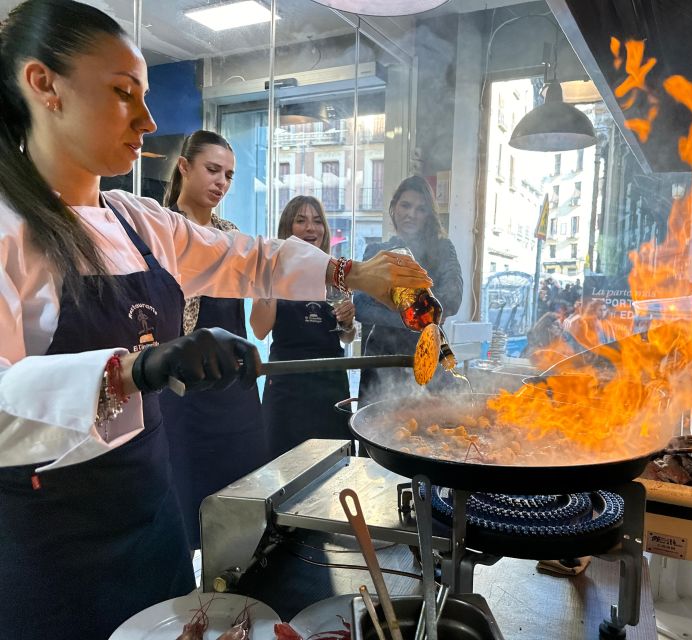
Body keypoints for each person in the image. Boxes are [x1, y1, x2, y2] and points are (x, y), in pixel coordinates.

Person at [0, 3, 432, 638]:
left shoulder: (134, 219)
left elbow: (251, 258)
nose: (148, 121)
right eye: (123, 94)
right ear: (44, 85)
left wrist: (355, 273)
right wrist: (135, 368)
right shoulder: (8, 228)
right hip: (53, 545)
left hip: (152, 513)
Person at [155, 130, 266, 550]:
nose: (221, 182)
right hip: (183, 393)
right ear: (184, 167)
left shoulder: (231, 234)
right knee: (186, 502)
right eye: (212, 170)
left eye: (229, 175)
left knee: (241, 504)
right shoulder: (159, 231)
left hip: (235, 395)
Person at [250, 196, 356, 457]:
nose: (311, 228)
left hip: (331, 383)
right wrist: (272, 275)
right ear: (287, 228)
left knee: (334, 465)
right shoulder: (272, 270)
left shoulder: (336, 274)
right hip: (288, 384)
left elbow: (347, 337)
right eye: (301, 221)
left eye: (317, 221)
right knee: (282, 464)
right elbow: (259, 329)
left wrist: (348, 321)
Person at [355, 176, 463, 405]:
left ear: (428, 216)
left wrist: (391, 308)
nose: (411, 214)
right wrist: (420, 316)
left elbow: (452, 299)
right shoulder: (377, 251)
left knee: (432, 431)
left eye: (420, 209)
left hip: (429, 357)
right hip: (381, 360)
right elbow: (362, 307)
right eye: (405, 205)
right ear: (393, 208)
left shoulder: (442, 249)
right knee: (374, 430)